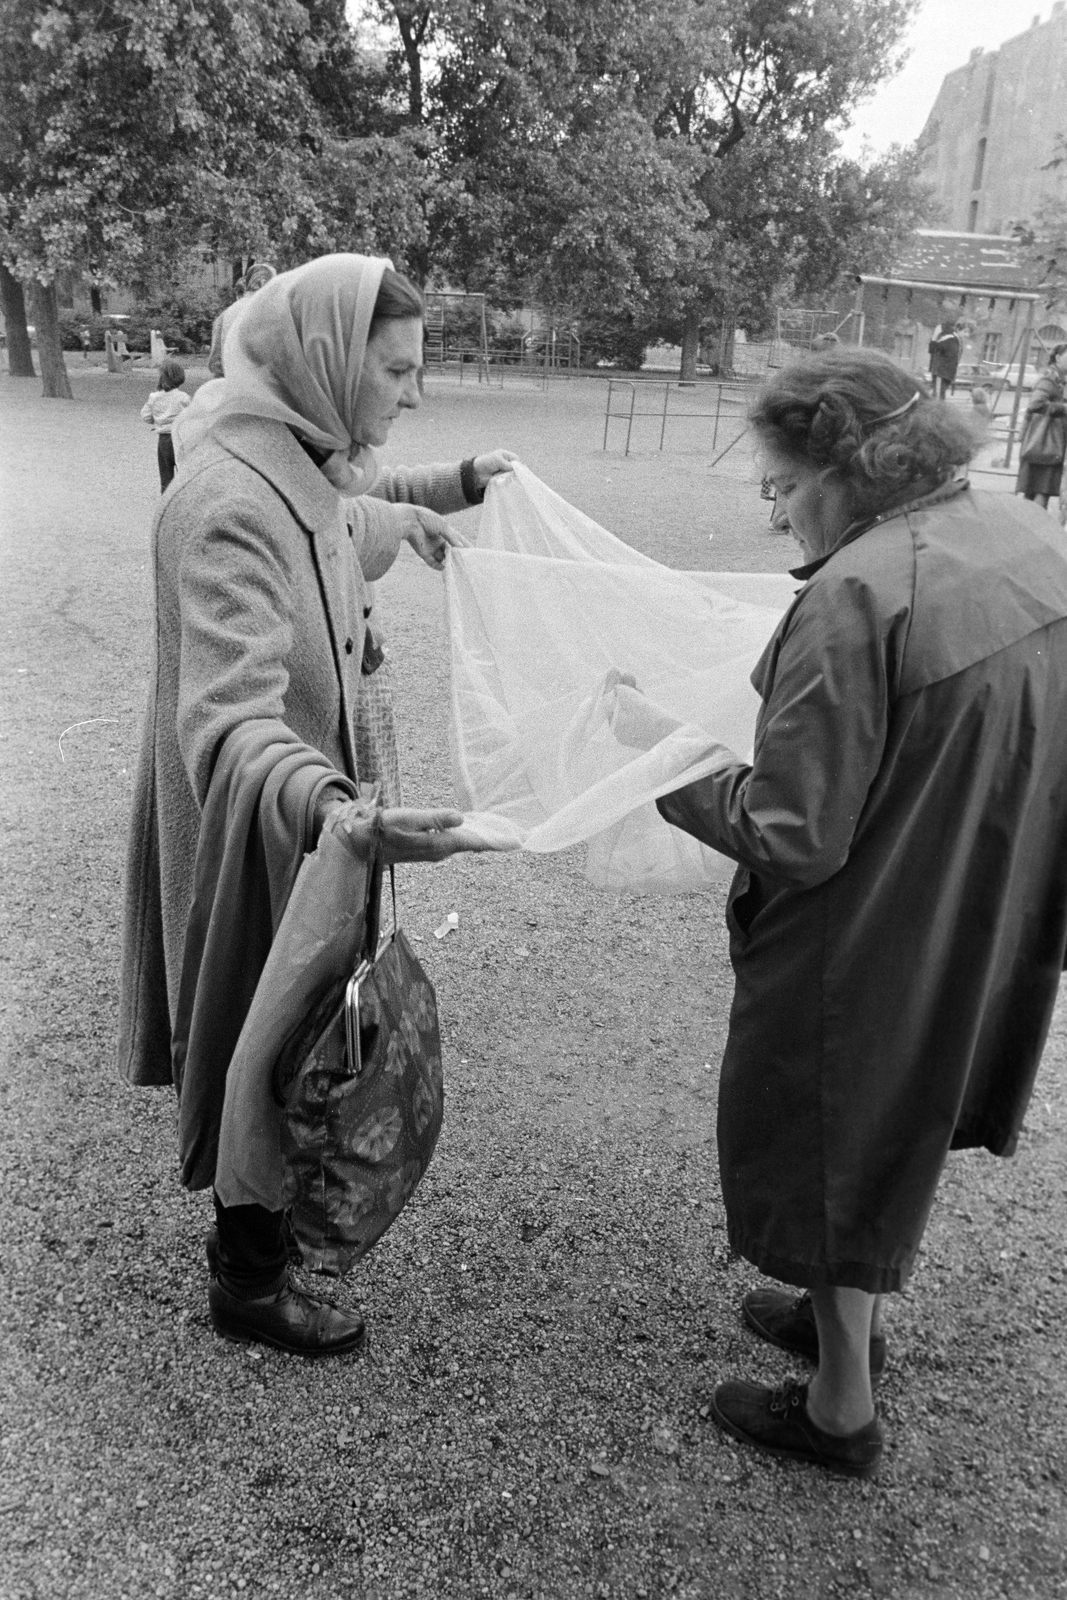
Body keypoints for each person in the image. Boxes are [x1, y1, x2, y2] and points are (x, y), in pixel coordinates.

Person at [651, 348, 1067, 1477]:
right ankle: (844, 1318)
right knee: (890, 1115)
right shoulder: (1021, 535)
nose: (778, 511)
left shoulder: (854, 592)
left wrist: (666, 765)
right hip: (976, 894)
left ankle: (839, 1408)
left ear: (847, 468)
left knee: (834, 1127)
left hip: (866, 925)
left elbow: (792, 832)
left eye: (784, 485)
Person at [118, 253, 516, 1357]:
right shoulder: (224, 505)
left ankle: (274, 1231)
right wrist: (341, 813)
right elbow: (227, 722)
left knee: (305, 1031)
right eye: (395, 370)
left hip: (312, 821)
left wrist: (456, 486)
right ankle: (246, 1280)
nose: (414, 393)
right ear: (327, 367)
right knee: (260, 1031)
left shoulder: (301, 460)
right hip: (259, 831)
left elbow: (353, 520)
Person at [1015, 342, 1067, 510]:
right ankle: (1034, 523)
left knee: (1033, 492)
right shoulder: (1050, 378)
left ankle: (1027, 523)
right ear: (1058, 357)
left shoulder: (1059, 378)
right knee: (1041, 492)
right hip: (1045, 443)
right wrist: (1063, 408)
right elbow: (1036, 404)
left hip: (1044, 443)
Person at [207, 262, 277, 378]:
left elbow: (215, 360)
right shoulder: (267, 310)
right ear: (265, 282)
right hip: (258, 380)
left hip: (231, 378)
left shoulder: (227, 312)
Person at [139, 357, 191, 492]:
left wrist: (157, 420)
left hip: (163, 440)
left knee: (166, 476)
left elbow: (145, 416)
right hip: (180, 438)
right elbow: (191, 416)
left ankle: (166, 499)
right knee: (184, 473)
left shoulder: (154, 397)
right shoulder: (184, 398)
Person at [927, 318, 965, 398]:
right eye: (965, 332)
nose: (967, 335)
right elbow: (932, 349)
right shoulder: (949, 338)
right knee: (938, 398)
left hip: (947, 375)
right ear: (958, 329)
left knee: (940, 397)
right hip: (941, 374)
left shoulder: (957, 341)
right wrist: (934, 336)